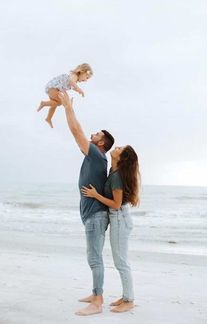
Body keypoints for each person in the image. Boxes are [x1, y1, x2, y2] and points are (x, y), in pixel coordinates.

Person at [58, 90, 114, 316]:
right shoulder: (96, 156)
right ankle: (95, 293)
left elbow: (76, 131)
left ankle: (98, 301)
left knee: (94, 258)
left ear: (101, 143)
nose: (92, 133)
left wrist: (68, 108)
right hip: (93, 215)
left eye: (97, 133)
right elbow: (78, 133)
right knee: (93, 257)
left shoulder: (97, 155)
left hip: (95, 216)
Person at [81, 144, 140, 313]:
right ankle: (126, 295)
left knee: (121, 262)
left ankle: (129, 300)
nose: (116, 147)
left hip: (120, 218)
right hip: (118, 219)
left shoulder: (116, 177)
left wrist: (95, 195)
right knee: (120, 260)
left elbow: (116, 204)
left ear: (122, 158)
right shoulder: (113, 173)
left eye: (120, 149)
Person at [37, 63, 93, 128]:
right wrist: (78, 89)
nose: (86, 80)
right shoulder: (74, 76)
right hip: (53, 88)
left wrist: (77, 90)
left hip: (53, 88)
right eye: (87, 77)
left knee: (54, 104)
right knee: (59, 102)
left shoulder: (75, 79)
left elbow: (72, 86)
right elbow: (71, 81)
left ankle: (48, 118)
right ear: (82, 71)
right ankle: (43, 103)